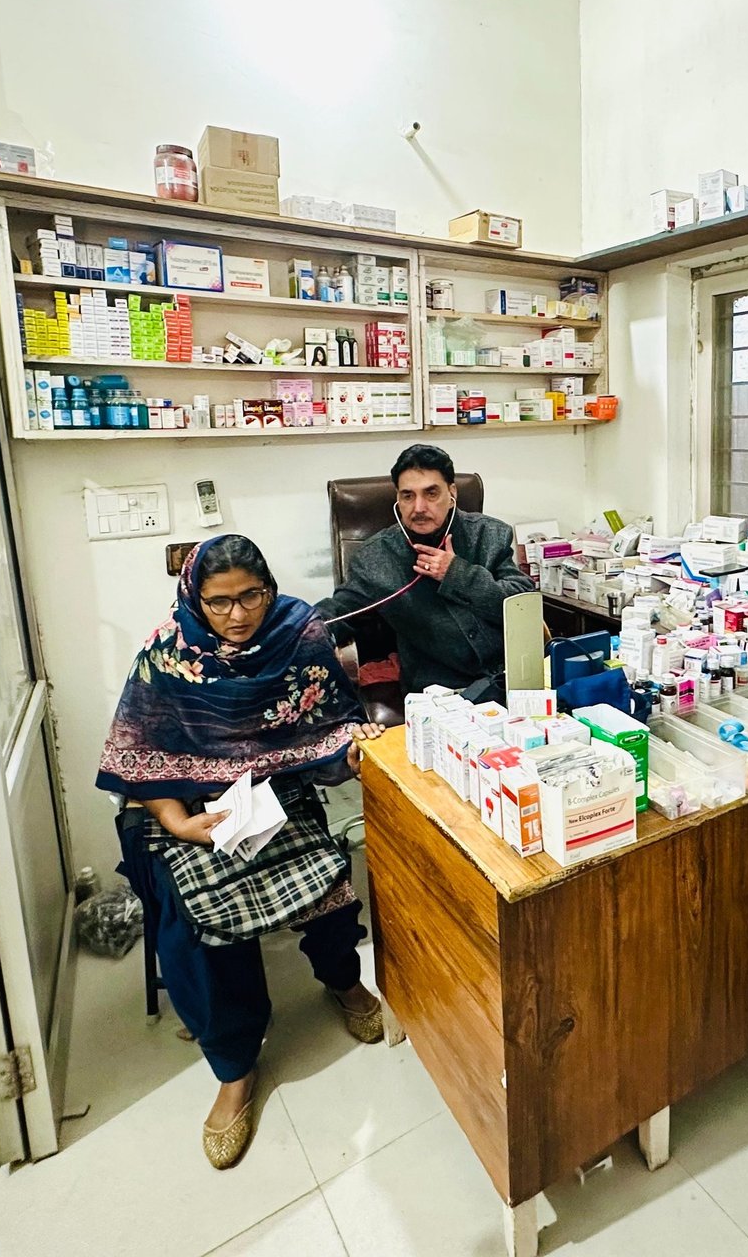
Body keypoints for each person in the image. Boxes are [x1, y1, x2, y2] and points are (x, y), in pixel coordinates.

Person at [97, 535, 386, 1170]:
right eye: (219, 601)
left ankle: (342, 980)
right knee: (197, 929)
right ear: (194, 597)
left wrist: (352, 743)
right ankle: (234, 1064)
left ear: (270, 588)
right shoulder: (165, 655)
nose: (237, 614)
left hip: (273, 789)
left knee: (330, 885)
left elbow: (333, 720)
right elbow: (138, 754)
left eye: (250, 595)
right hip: (187, 801)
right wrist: (183, 823)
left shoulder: (301, 632)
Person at [318, 444, 534, 699]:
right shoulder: (376, 557)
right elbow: (340, 611)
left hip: (510, 678)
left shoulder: (489, 534)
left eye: (431, 493)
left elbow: (522, 607)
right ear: (397, 498)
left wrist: (458, 574)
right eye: (408, 496)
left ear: (451, 492)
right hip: (440, 692)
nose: (419, 507)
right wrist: (291, 627)